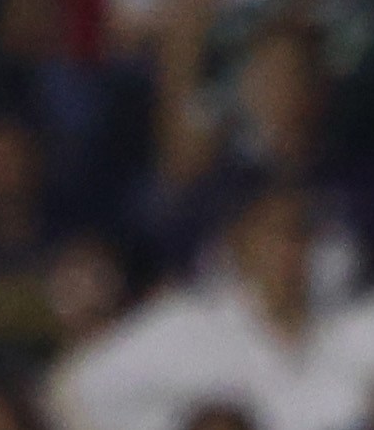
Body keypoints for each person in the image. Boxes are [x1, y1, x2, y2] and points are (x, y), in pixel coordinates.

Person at [45, 184, 371, 430]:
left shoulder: (352, 329)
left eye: (299, 234)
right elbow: (70, 391)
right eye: (273, 235)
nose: (288, 250)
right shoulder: (187, 324)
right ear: (241, 243)